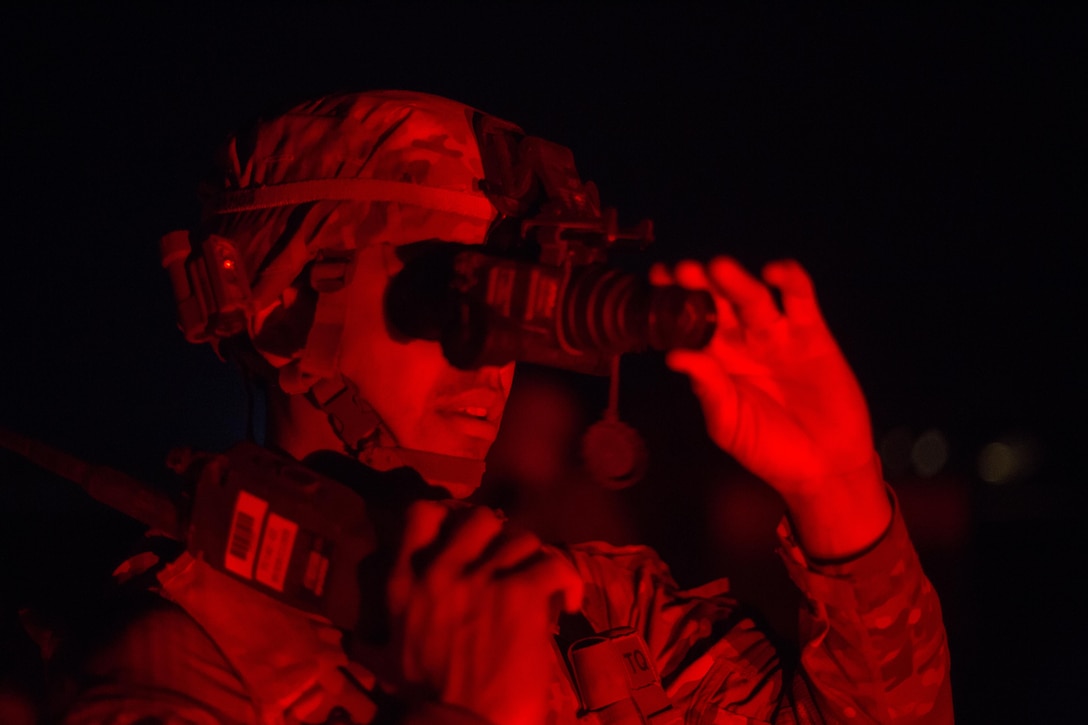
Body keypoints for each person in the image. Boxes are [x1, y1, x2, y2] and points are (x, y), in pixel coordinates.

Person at [51, 90, 952, 724]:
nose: (491, 353)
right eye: (449, 294)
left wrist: (841, 495)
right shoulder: (174, 675)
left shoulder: (598, 611)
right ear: (282, 311)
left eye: (510, 297)